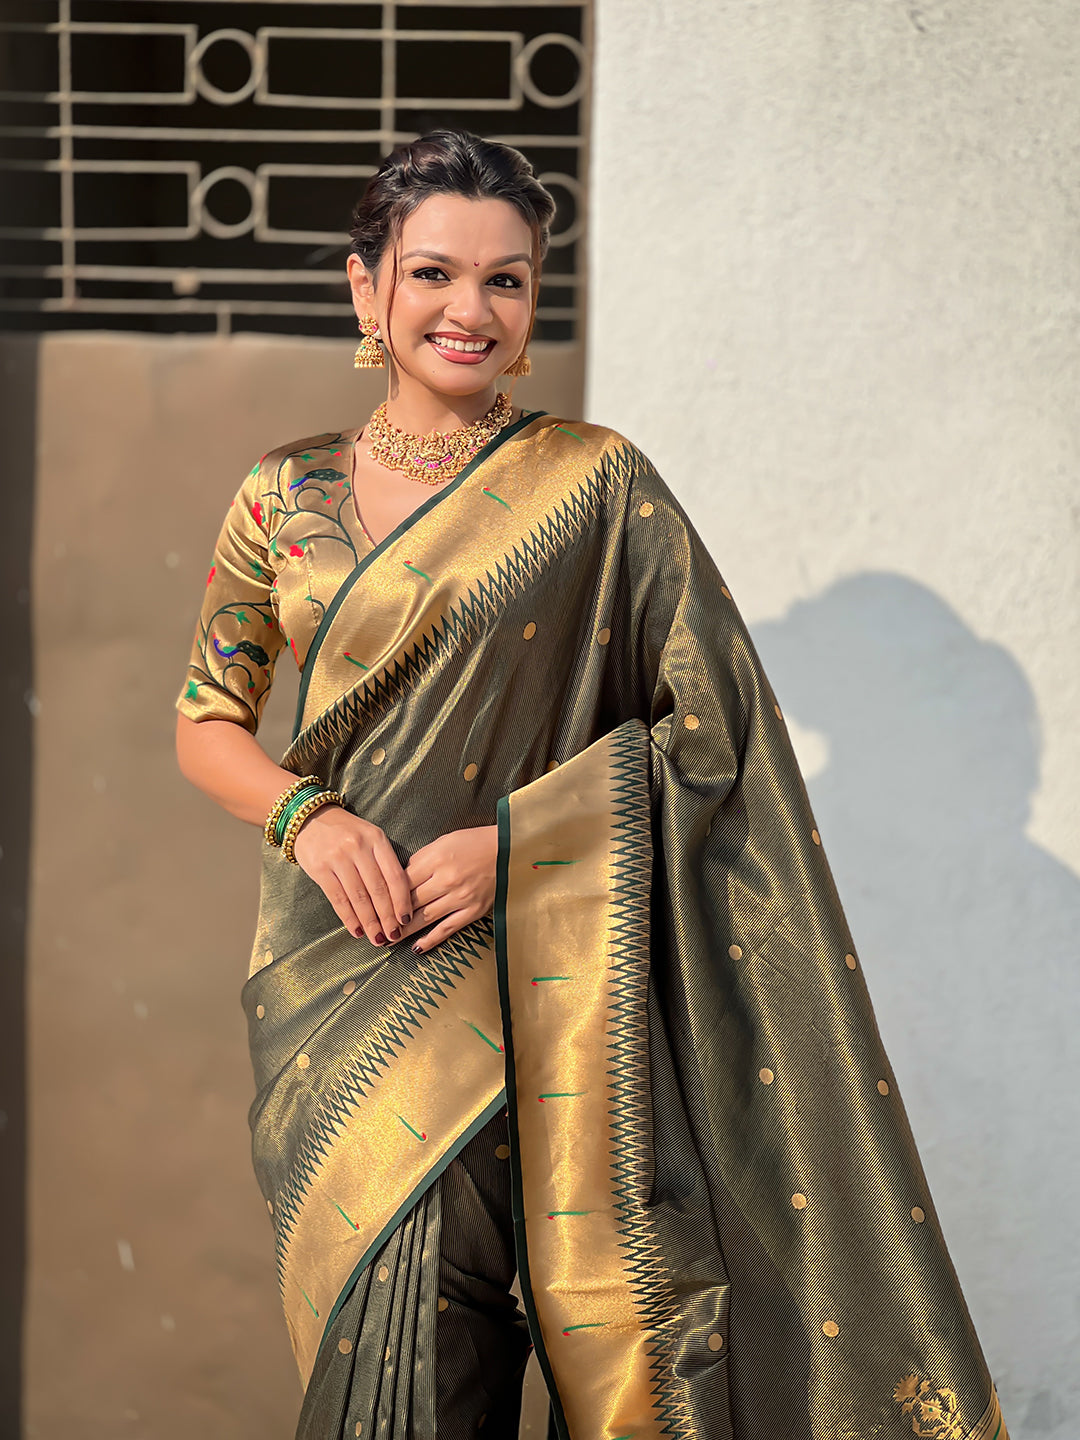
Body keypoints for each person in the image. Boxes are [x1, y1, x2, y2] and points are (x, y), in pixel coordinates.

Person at [175, 131, 1008, 1440]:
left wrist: (521, 847)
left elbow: (716, 728)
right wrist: (308, 816)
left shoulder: (596, 483)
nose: (471, 309)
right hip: (339, 973)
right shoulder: (284, 495)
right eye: (434, 273)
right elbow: (207, 721)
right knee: (393, 1346)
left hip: (549, 978)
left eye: (507, 280)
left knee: (613, 1334)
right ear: (365, 287)